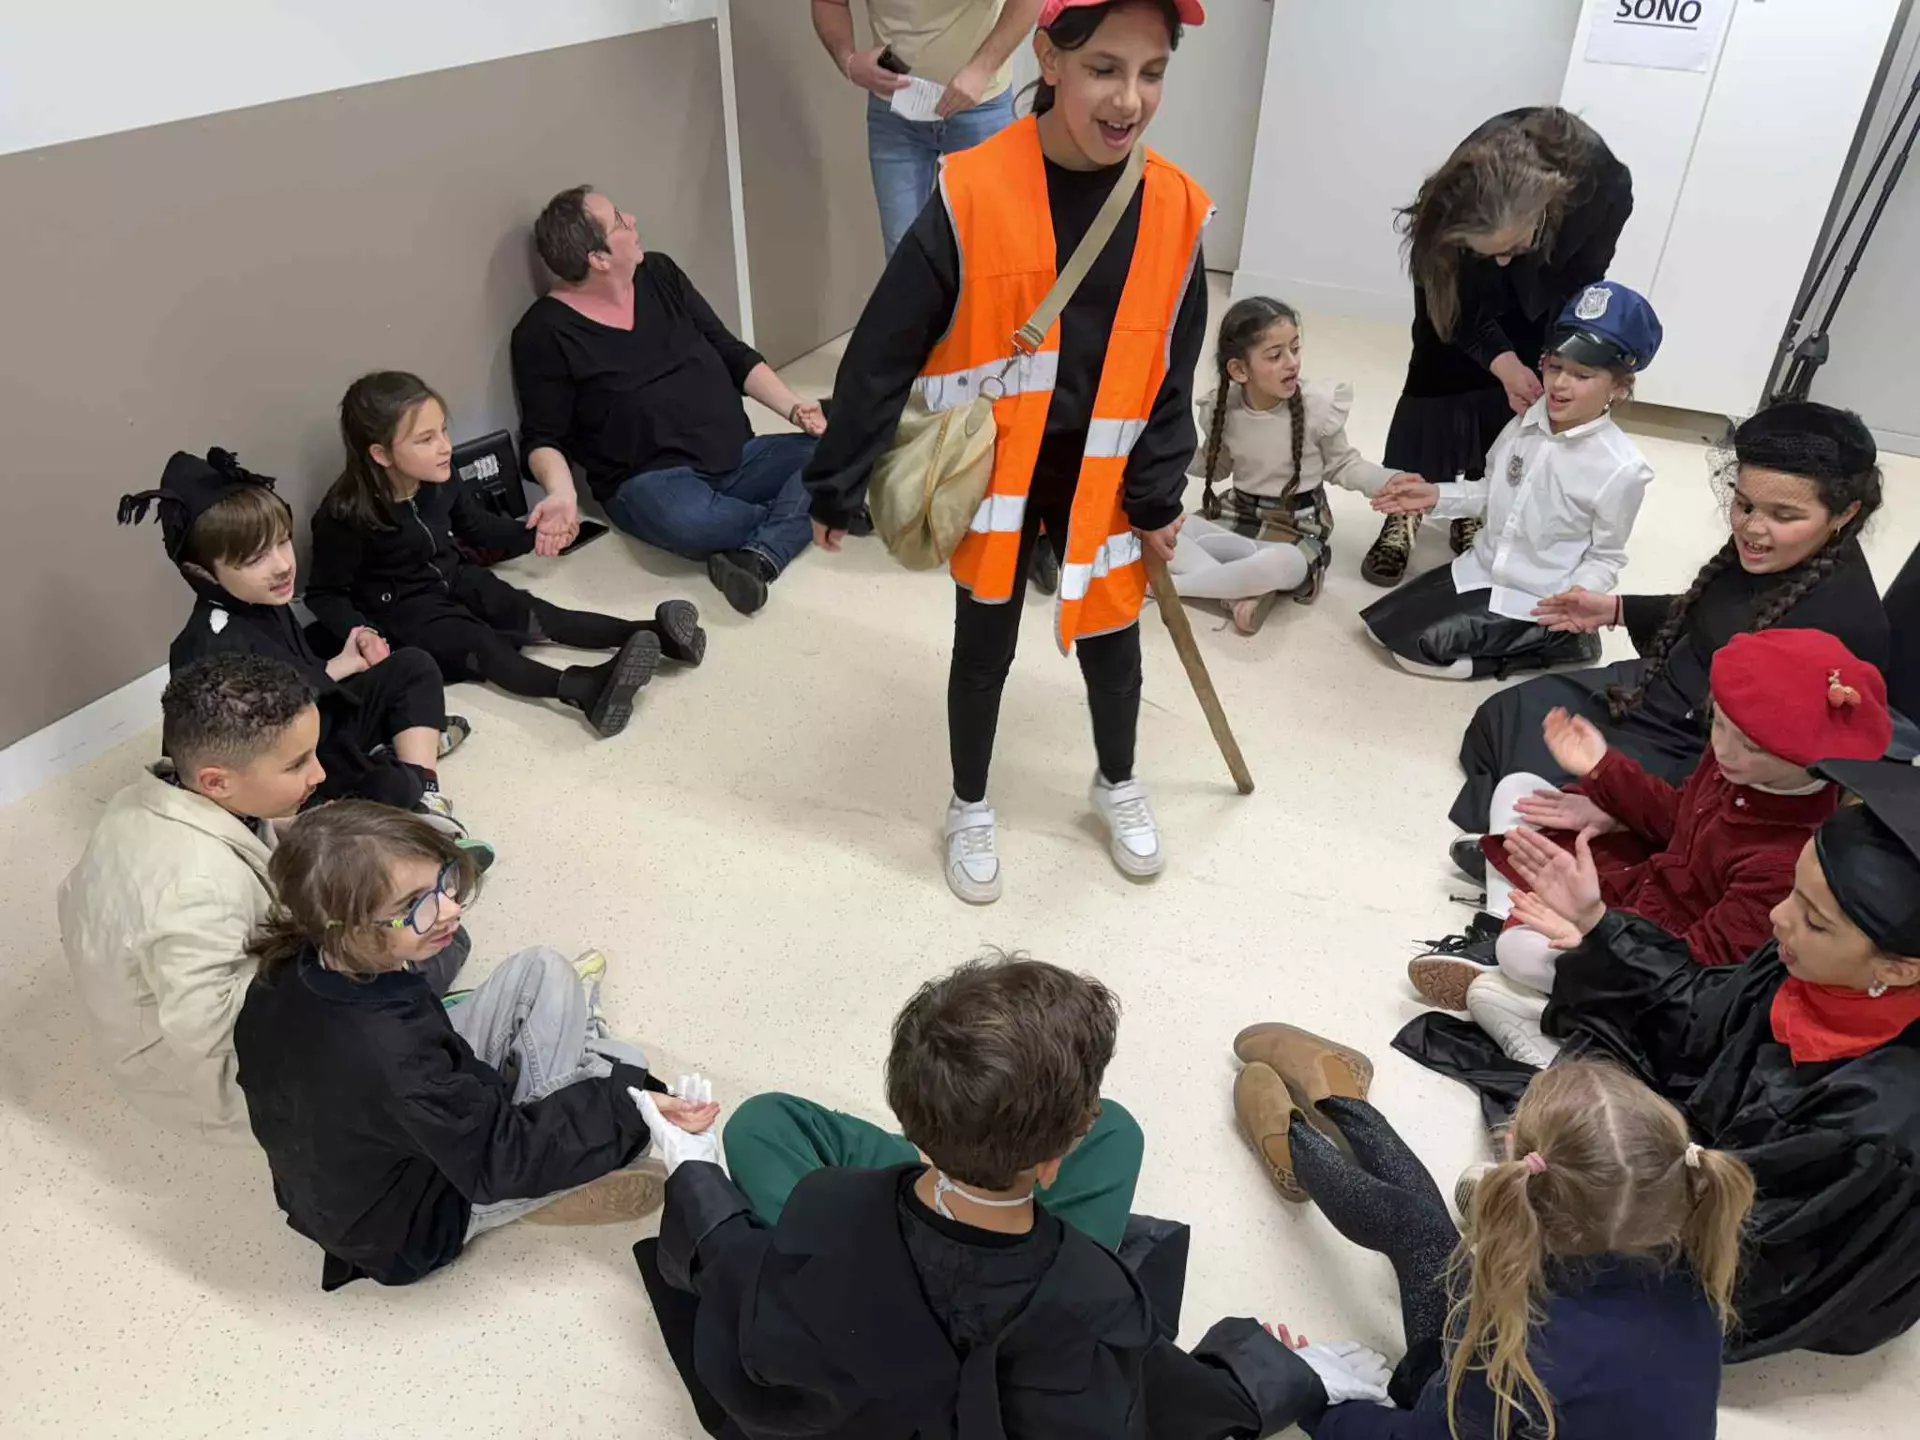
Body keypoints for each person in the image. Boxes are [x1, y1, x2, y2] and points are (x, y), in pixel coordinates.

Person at [806, 0, 1212, 904]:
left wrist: (1157, 494)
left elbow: (1176, 368)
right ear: (1049, 59)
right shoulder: (975, 186)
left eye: (1151, 74)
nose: (1130, 99)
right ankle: (970, 803)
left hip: (1101, 469)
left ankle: (1117, 782)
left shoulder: (1176, 204)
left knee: (1113, 632)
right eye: (1105, 67)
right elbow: (886, 340)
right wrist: (838, 478)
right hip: (997, 463)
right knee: (982, 638)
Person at [636, 952, 1388, 1437]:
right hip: (1033, 1276)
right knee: (1123, 1133)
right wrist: (1296, 1371)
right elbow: (1164, 1403)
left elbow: (738, 1265)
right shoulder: (1092, 1297)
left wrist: (695, 1163)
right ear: (1061, 1153)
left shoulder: (828, 1206)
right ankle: (994, 1165)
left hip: (905, 1210)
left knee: (764, 1121)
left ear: (909, 1113)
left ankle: (964, 1164)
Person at [1400, 758, 1920, 1362]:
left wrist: (1592, 1213)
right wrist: (1596, 923)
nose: (1780, 918)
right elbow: (1697, 1018)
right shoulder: (1809, 964)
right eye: (1793, 894)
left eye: (1814, 920)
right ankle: (1546, 1051)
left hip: (1787, 1253)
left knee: (1560, 1195)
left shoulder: (1882, 1127)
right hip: (1725, 1140)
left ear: (1900, 969)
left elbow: (1769, 1259)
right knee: (1590, 1092)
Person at [233, 801, 716, 1289]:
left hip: (344, 1177)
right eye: (413, 905)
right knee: (624, 1069)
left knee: (542, 970)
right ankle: (554, 1182)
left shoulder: (291, 965)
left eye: (444, 881)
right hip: (407, 1229)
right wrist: (635, 1111)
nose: (451, 909)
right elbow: (497, 1158)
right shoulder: (394, 1059)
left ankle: (575, 1087)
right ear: (353, 927)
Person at [1232, 1027, 1753, 1438]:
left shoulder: (1518, 1358)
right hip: (1515, 1389)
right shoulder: (1694, 1281)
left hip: (1492, 1397)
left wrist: (1319, 1402)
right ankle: (1341, 1104)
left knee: (1419, 1235)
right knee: (1419, 1229)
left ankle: (1297, 1141)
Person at [1412, 629, 1892, 1068]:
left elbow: (1701, 968)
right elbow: (1678, 816)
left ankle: (1524, 979)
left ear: (1814, 764)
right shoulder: (1736, 763)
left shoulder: (1784, 858)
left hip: (1655, 950)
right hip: (1639, 885)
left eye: (1751, 746)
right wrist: (1602, 774)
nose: (1724, 749)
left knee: (1521, 950)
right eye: (1719, 724)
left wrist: (1593, 934)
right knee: (1518, 790)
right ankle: (1508, 926)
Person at [56, 654, 470, 1141]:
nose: (318, 775)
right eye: (297, 764)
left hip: (167, 995)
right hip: (201, 1082)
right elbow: (220, 1050)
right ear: (216, 781)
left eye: (313, 753)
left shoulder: (149, 793)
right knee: (442, 944)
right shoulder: (196, 893)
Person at [1447, 399, 1891, 833]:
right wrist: (1617, 610)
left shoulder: (1844, 624)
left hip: (1703, 748)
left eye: (1784, 515)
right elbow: (1722, 612)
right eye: (1745, 505)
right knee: (1507, 715)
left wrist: (1630, 811)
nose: (1753, 528)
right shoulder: (1784, 553)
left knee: (1560, 792)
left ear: (1845, 513)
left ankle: (1528, 839)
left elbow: (1777, 774)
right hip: (1656, 687)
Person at [309, 372, 703, 739]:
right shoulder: (345, 515)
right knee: (483, 643)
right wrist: (364, 634)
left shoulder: (438, 481)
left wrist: (537, 534)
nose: (445, 447)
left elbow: (479, 529)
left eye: (443, 430)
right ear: (381, 454)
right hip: (403, 611)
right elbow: (325, 594)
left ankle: (650, 634)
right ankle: (582, 689)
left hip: (453, 575)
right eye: (425, 439)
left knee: (534, 611)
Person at [510, 186, 822, 616]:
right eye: (620, 221)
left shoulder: (659, 274)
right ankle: (807, 512)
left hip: (738, 454)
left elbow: (731, 352)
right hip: (652, 483)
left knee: (841, 448)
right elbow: (542, 436)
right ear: (598, 260)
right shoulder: (543, 332)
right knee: (695, 524)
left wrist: (795, 408)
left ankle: (760, 553)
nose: (634, 220)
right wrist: (561, 493)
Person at [1363, 108, 1633, 590]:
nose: (1504, 262)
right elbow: (1451, 306)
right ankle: (1408, 507)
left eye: (1512, 248)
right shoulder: (1446, 211)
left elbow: (1582, 279)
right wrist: (1497, 357)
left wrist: (1542, 357)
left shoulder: (1602, 189)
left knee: (1515, 386)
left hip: (1552, 281)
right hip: (1461, 282)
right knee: (1436, 368)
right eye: (1491, 252)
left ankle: (1477, 498)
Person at [121, 448, 466, 825]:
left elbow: (297, 680)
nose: (283, 565)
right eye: (255, 559)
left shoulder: (262, 599)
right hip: (291, 757)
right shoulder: (212, 647)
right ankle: (411, 755)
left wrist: (342, 664)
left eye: (283, 541)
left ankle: (425, 785)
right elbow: (242, 761)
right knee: (393, 786)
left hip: (315, 719)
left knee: (414, 666)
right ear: (201, 572)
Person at [1359, 280, 1659, 681]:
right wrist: (1434, 495)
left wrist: (1576, 602)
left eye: (1581, 374)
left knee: (1418, 655)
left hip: (1536, 599)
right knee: (1380, 630)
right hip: (1478, 568)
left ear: (1619, 388)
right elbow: (1489, 492)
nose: (1560, 384)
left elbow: (1606, 555)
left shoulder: (1622, 469)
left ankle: (1559, 645)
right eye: (1554, 366)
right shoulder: (1523, 424)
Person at [1170, 296, 1414, 633]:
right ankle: (1236, 593)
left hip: (1297, 527)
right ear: (1239, 370)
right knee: (1167, 530)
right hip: (1235, 515)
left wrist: (1391, 480)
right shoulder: (1222, 408)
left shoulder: (1317, 406)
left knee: (1279, 562)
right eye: (1275, 355)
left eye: (1295, 349)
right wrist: (1165, 452)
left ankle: (1177, 589)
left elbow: (1344, 464)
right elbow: (1217, 466)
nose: (1292, 363)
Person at [812, 0, 1044, 258]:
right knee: (903, 256)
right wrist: (849, 61)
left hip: (981, 105)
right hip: (895, 112)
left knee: (987, 253)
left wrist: (982, 69)